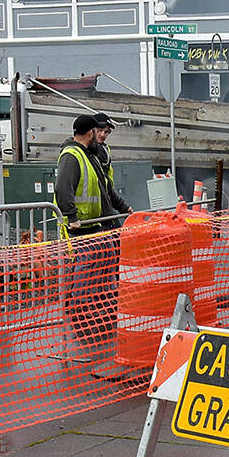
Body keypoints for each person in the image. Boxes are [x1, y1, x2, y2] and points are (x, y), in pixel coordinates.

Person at [55, 114, 131, 359]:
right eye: (100, 131)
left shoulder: (91, 155)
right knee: (84, 279)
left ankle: (96, 318)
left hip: (97, 226)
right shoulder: (73, 155)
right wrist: (71, 216)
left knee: (100, 275)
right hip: (83, 229)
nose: (103, 136)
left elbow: (105, 188)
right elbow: (62, 188)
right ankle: (81, 320)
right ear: (90, 133)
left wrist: (123, 207)